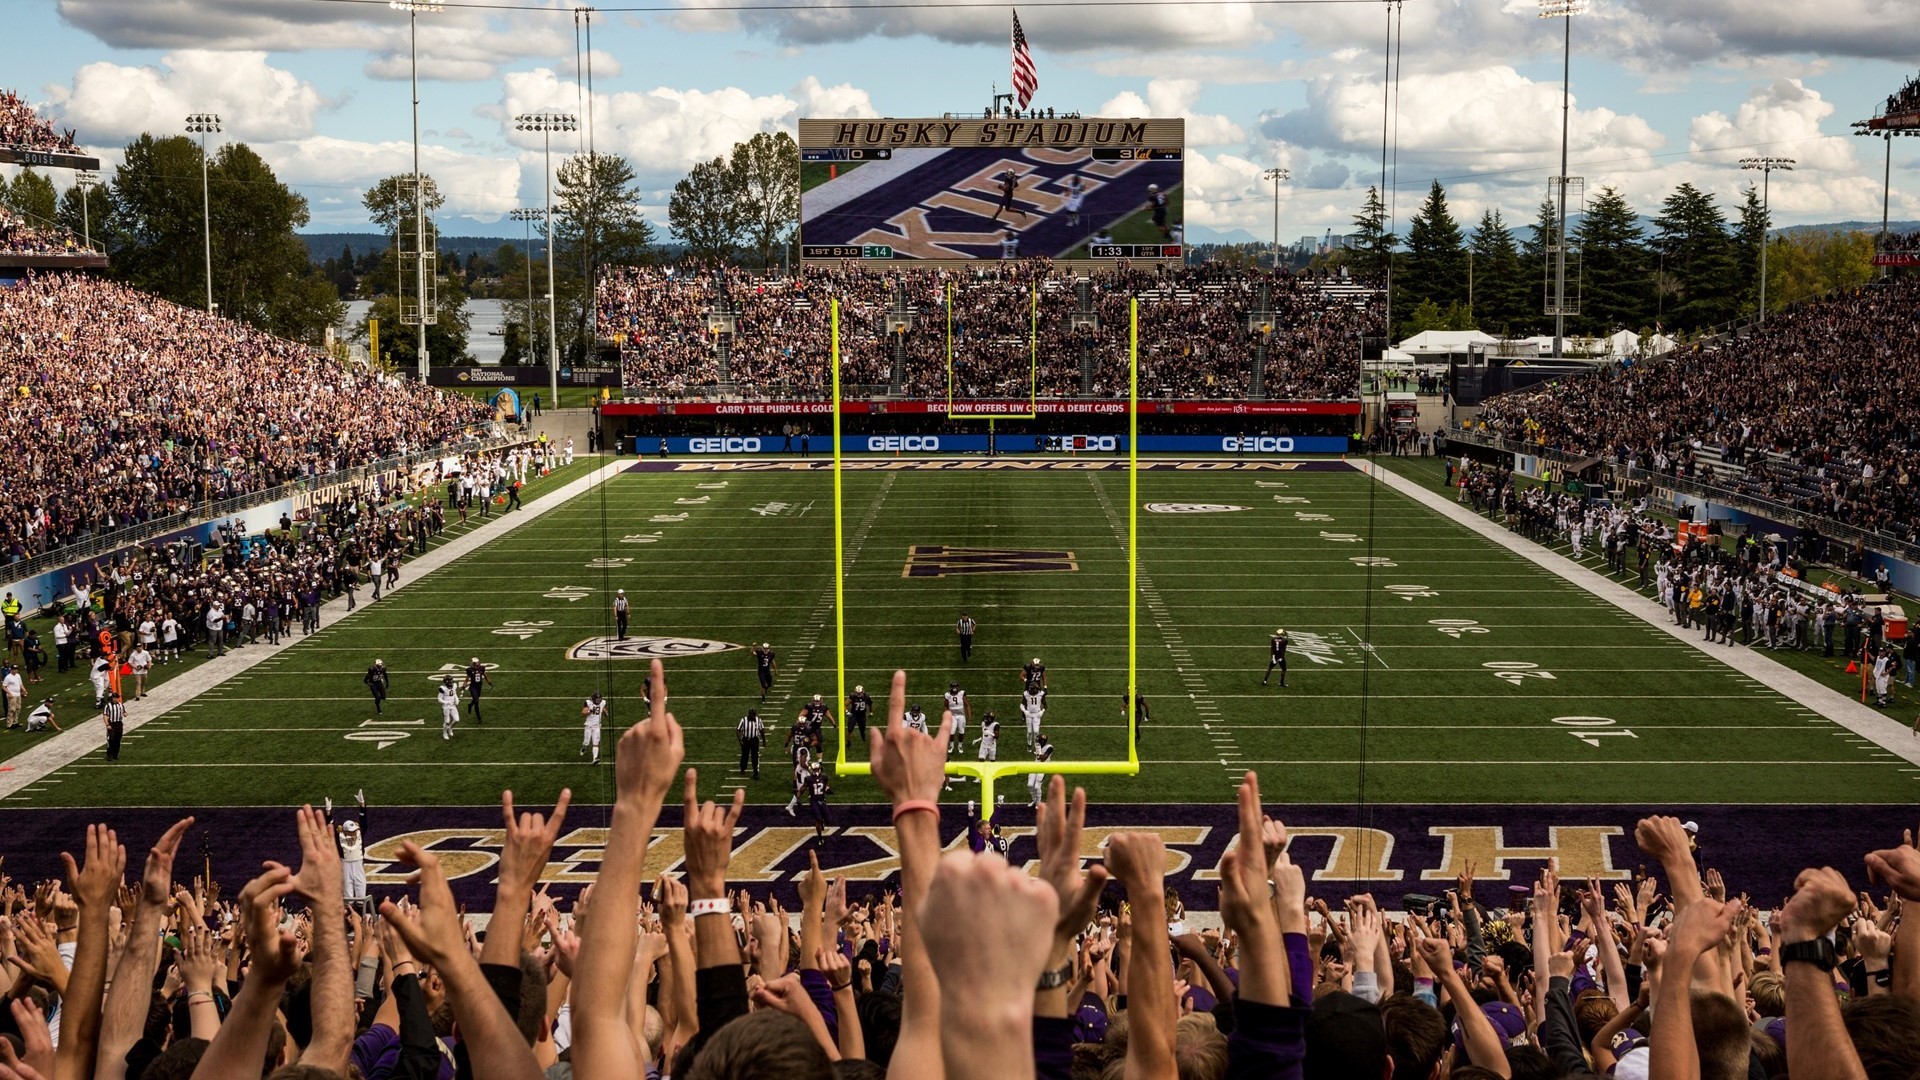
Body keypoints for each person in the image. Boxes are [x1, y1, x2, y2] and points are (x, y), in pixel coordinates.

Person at [943, 681, 968, 758]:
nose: (954, 688)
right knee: (951, 732)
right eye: (953, 686)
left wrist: (969, 715)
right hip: (953, 716)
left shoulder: (961, 693)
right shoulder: (947, 695)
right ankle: (951, 746)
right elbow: (945, 705)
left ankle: (960, 746)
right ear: (950, 687)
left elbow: (967, 704)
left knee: (961, 731)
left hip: (961, 715)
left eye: (955, 686)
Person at [580, 690, 607, 763]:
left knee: (596, 742)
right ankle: (584, 746)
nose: (598, 701)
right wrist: (590, 711)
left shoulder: (602, 703)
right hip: (589, 726)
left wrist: (605, 713)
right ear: (593, 699)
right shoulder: (588, 703)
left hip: (597, 726)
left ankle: (594, 759)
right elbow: (583, 713)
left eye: (599, 699)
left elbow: (602, 708)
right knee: (586, 742)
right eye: (597, 699)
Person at [736, 708, 763, 779]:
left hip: (755, 740)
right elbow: (738, 730)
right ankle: (742, 768)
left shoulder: (758, 720)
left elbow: (762, 730)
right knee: (745, 755)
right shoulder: (743, 720)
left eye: (754, 714)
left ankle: (755, 772)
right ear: (749, 714)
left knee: (755, 756)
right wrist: (740, 740)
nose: (753, 716)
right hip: (746, 739)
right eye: (752, 714)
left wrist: (764, 740)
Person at [1028, 733, 1054, 806]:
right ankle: (1034, 800)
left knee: (1037, 786)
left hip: (1043, 767)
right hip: (1035, 765)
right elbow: (1037, 756)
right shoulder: (1038, 746)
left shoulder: (1049, 747)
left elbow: (1042, 759)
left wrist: (1039, 751)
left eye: (1039, 741)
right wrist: (1037, 749)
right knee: (1030, 785)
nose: (1037, 742)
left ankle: (1038, 803)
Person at [464, 656, 492, 724]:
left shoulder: (482, 668)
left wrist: (489, 683)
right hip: (473, 687)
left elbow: (485, 675)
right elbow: (467, 679)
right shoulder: (469, 670)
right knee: (476, 701)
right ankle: (479, 718)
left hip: (479, 687)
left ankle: (470, 705)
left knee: (475, 700)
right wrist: (464, 685)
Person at [101, 692, 125, 761]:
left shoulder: (120, 705)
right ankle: (109, 755)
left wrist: (125, 713)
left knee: (118, 740)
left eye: (118, 698)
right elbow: (105, 715)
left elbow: (124, 711)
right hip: (112, 724)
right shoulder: (108, 706)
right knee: (111, 740)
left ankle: (115, 754)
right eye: (116, 698)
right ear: (113, 698)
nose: (118, 699)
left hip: (119, 724)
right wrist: (107, 724)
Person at [437, 675, 460, 740]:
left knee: (457, 720)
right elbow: (439, 699)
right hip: (446, 707)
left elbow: (454, 694)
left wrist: (457, 699)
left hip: (453, 706)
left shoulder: (454, 685)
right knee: (447, 721)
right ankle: (444, 733)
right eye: (450, 680)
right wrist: (446, 702)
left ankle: (450, 728)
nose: (451, 682)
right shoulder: (443, 688)